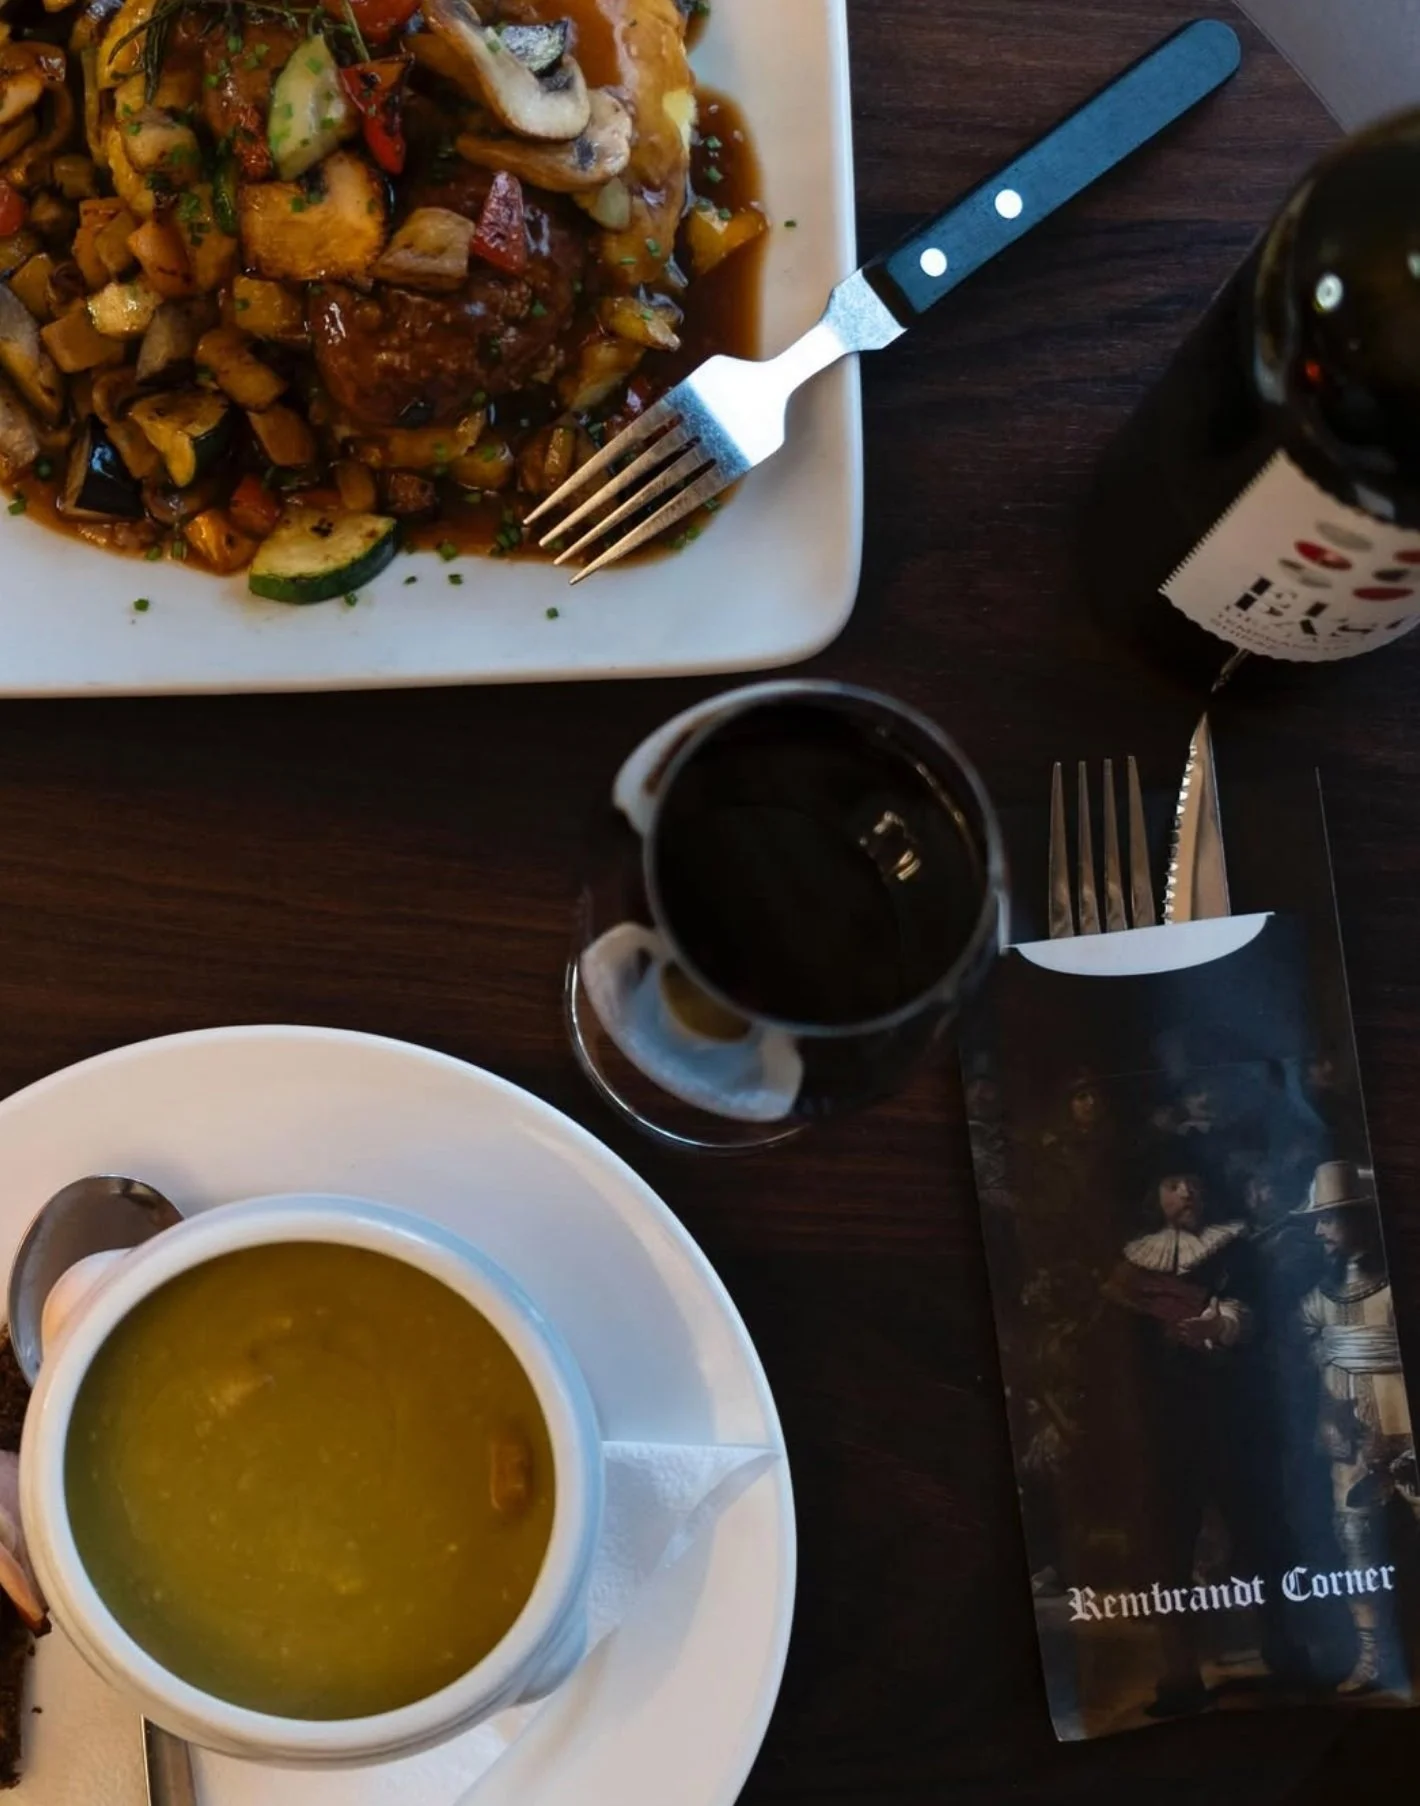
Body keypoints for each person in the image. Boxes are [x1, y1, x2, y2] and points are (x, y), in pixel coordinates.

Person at [1104, 1170, 1268, 1715]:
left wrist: (1219, 1326)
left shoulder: (1235, 1248)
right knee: (1170, 1544)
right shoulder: (1131, 1268)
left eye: (1194, 1182)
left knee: (1255, 1529)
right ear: (1154, 1195)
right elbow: (1116, 1353)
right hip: (1163, 1426)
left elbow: (1259, 1315)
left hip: (1231, 1417)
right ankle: (1180, 1674)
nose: (1187, 1194)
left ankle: (1283, 1655)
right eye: (1173, 1184)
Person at [1296, 1159, 1416, 1693]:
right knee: (1356, 1544)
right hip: (1348, 1434)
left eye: (1329, 1219)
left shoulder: (1396, 1290)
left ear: (1359, 1219)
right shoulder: (1317, 1300)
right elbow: (1309, 1358)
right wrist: (1328, 1412)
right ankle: (1374, 1656)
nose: (1319, 1230)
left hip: (1406, 1424)